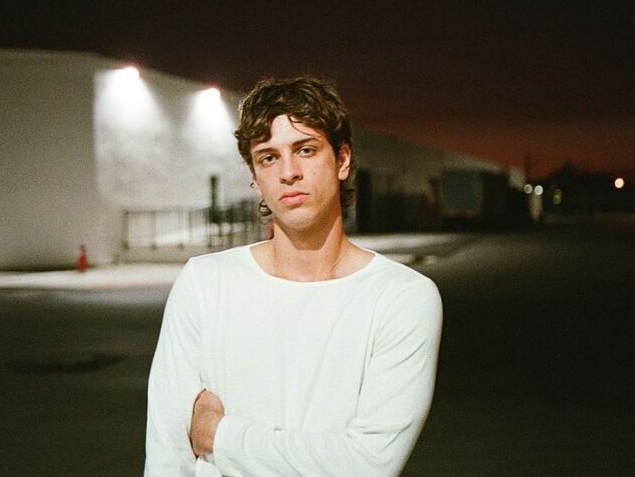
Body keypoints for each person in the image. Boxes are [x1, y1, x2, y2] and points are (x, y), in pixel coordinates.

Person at [144, 76, 442, 476]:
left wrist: (219, 435)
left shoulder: (402, 297)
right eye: (268, 157)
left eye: (305, 150)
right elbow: (166, 457)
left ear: (343, 160)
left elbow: (368, 465)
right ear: (254, 177)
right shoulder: (204, 283)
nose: (288, 172)